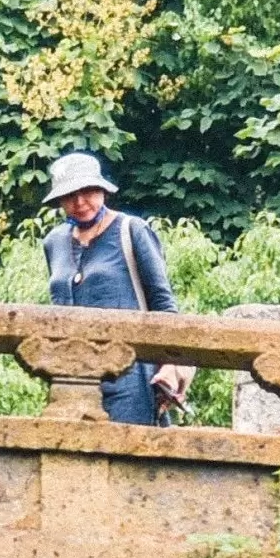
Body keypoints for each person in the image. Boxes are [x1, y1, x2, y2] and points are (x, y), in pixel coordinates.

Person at [42, 153, 186, 428]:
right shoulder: (54, 242)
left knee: (130, 462)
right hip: (71, 376)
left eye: (87, 191)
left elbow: (163, 304)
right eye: (70, 195)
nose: (80, 202)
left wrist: (170, 365)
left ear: (102, 190)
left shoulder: (132, 230)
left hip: (130, 375)